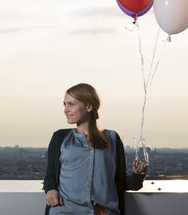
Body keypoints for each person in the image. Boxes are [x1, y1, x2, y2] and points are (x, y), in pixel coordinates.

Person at [43, 83, 148, 215]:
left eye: (71, 104)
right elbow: (50, 177)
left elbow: (120, 182)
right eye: (65, 104)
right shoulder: (59, 138)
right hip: (64, 211)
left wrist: (138, 175)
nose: (66, 110)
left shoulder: (112, 138)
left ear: (89, 106)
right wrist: (50, 189)